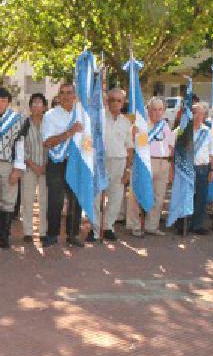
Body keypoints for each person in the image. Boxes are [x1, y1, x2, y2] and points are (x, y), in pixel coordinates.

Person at [41, 82, 86, 248]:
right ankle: (52, 235)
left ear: (75, 96)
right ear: (58, 96)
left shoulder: (81, 114)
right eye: (63, 93)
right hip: (57, 162)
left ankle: (73, 234)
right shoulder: (50, 115)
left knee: (76, 200)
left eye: (69, 93)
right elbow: (47, 142)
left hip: (76, 162)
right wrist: (69, 132)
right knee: (56, 201)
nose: (66, 96)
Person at [126, 96, 174, 237]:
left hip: (163, 162)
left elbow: (170, 146)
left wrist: (170, 165)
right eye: (154, 109)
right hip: (146, 162)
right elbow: (138, 145)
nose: (157, 113)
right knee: (136, 195)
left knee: (158, 196)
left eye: (160, 109)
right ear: (148, 110)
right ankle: (134, 225)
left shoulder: (165, 125)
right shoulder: (141, 125)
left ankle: (151, 226)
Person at [91, 88, 133, 242]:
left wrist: (128, 168)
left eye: (119, 100)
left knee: (116, 197)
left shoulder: (126, 122)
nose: (115, 103)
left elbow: (129, 147)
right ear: (107, 101)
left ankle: (108, 226)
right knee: (96, 197)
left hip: (119, 162)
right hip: (100, 161)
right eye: (112, 99)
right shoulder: (99, 119)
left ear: (123, 103)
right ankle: (95, 229)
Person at [0, 87, 26, 248]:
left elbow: (20, 145)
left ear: (8, 103)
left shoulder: (16, 120)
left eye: (3, 101)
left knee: (8, 202)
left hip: (8, 164)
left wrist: (17, 168)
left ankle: (4, 238)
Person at [20, 93, 48, 242]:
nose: (37, 106)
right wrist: (31, 164)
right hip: (29, 167)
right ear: (30, 107)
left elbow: (53, 145)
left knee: (45, 200)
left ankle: (43, 232)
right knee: (27, 200)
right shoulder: (24, 124)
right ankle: (28, 232)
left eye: (40, 103)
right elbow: (20, 147)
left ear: (44, 107)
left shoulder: (49, 123)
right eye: (34, 103)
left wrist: (45, 166)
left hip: (46, 168)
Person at [188, 102, 213, 235]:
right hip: (187, 168)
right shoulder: (182, 130)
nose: (199, 116)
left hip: (203, 169)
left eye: (202, 114)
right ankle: (184, 224)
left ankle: (197, 225)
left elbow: (212, 154)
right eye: (196, 113)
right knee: (186, 197)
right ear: (191, 114)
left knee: (201, 199)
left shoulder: (208, 132)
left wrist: (212, 170)